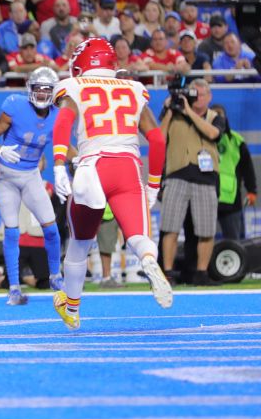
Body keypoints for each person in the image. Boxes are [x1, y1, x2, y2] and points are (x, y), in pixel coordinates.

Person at [49, 37, 172, 330]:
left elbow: (63, 123)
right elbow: (156, 139)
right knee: (138, 237)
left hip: (93, 165)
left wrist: (57, 165)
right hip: (128, 166)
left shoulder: (74, 86)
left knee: (79, 245)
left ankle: (73, 309)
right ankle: (148, 260)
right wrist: (153, 184)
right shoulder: (134, 88)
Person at [0, 67, 63, 304]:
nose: (41, 94)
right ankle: (15, 286)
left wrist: (81, 156)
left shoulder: (58, 115)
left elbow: (63, 145)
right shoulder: (15, 106)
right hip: (7, 176)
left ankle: (55, 276)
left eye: (46, 89)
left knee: (51, 228)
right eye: (38, 89)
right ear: (30, 89)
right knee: (11, 231)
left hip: (30, 175)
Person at [158, 78, 226, 285]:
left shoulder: (216, 117)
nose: (197, 98)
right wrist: (170, 109)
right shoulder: (175, 113)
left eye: (201, 94)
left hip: (205, 178)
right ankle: (167, 274)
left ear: (209, 96)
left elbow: (213, 134)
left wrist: (188, 112)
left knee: (206, 230)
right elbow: (159, 137)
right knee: (170, 227)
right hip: (176, 174)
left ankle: (201, 273)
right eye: (194, 93)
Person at [213, 104, 256, 241]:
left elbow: (247, 167)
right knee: (202, 241)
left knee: (235, 241)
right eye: (214, 115)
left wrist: (252, 190)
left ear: (226, 118)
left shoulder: (236, 140)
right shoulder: (200, 136)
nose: (218, 118)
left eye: (220, 114)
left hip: (231, 200)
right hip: (205, 197)